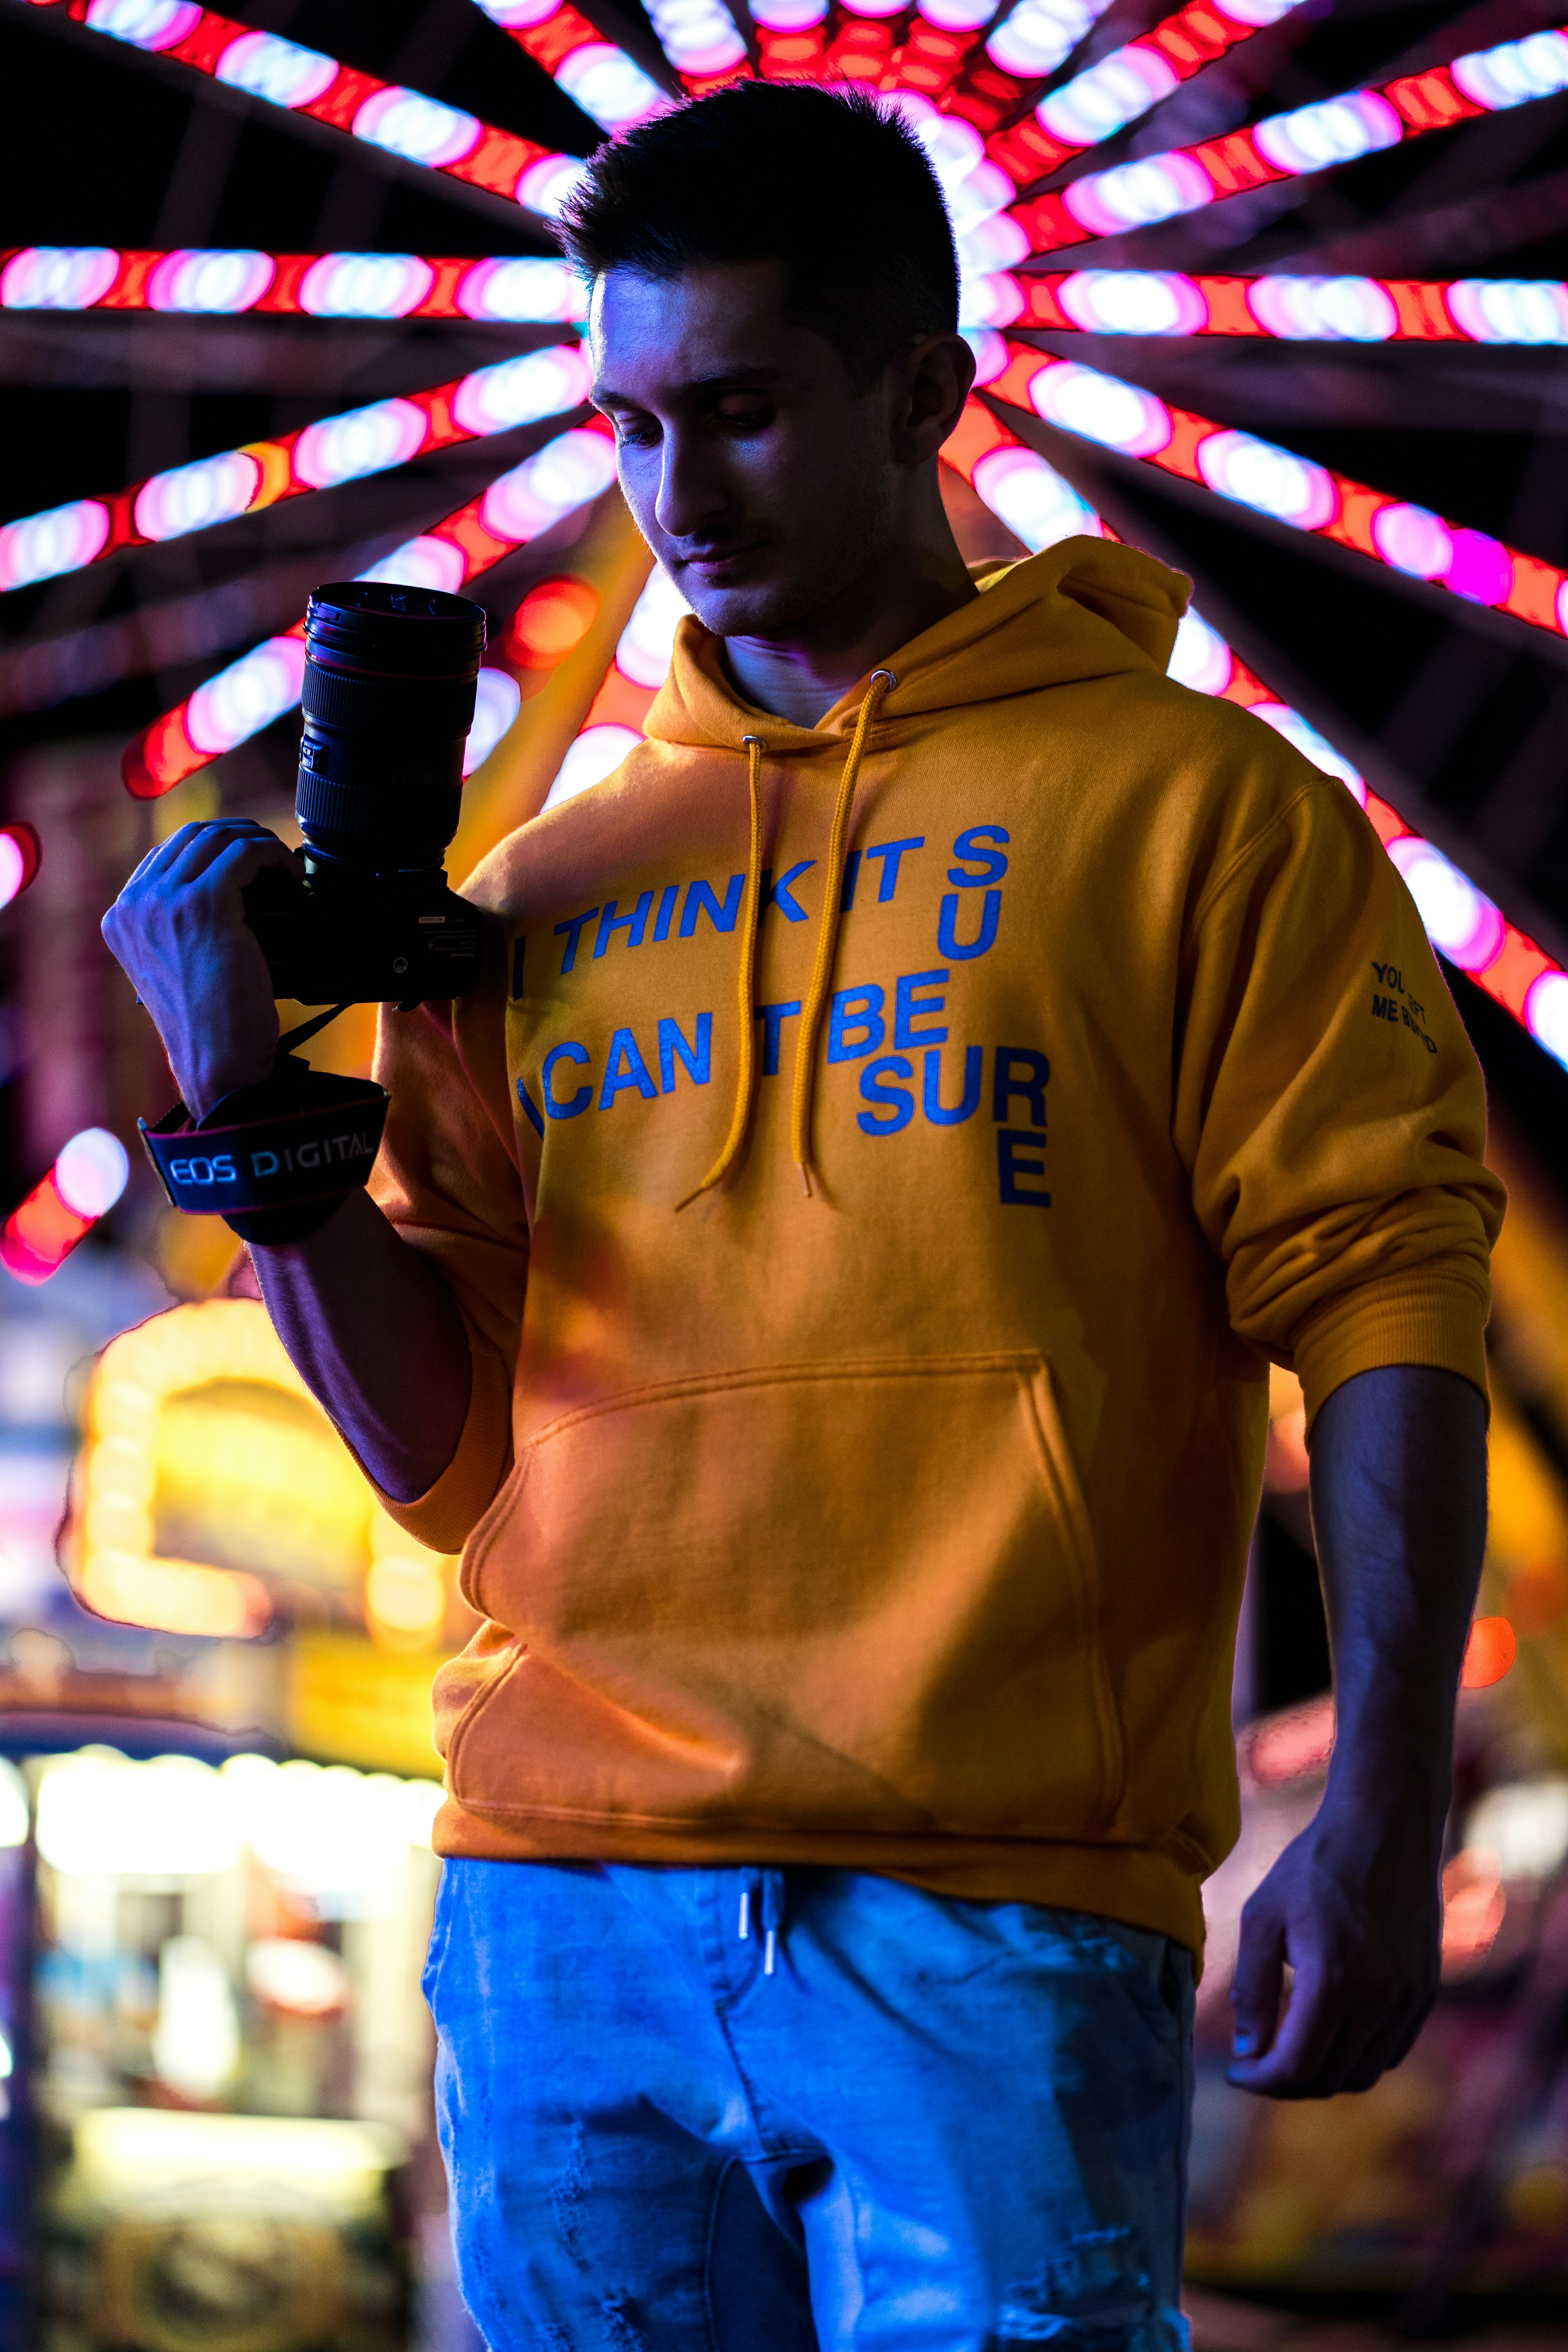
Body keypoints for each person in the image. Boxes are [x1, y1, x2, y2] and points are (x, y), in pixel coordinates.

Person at [105, 80, 1503, 2352]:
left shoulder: (1204, 816)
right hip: (558, 1907)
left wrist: (1381, 1794)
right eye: (634, 426)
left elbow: (1384, 1294)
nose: (678, 497)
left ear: (929, 389)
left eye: (740, 412)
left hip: (1000, 1900)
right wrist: (244, 1099)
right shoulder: (539, 882)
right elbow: (451, 1462)